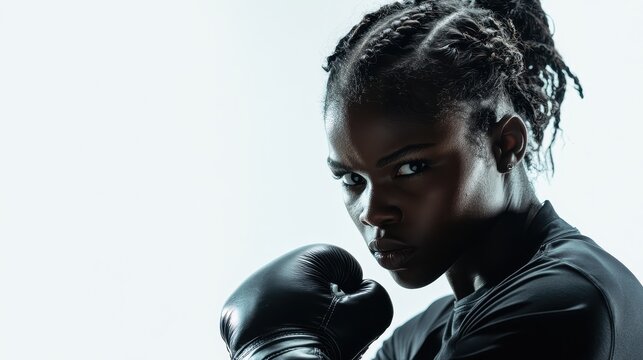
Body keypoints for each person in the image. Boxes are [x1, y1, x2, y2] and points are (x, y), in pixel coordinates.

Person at [220, 0, 643, 359]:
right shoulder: (426, 334)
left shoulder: (561, 303)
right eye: (352, 178)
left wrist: (278, 349)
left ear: (506, 145)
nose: (373, 212)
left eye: (410, 168)